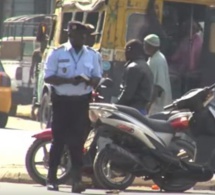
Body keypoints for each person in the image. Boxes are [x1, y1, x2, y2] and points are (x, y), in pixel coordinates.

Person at [44, 21, 101, 193]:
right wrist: (69, 80)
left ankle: (76, 181)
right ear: (70, 35)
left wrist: (89, 81)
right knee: (58, 141)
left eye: (85, 36)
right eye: (79, 35)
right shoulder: (57, 53)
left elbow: (97, 77)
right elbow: (48, 77)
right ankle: (52, 179)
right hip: (61, 103)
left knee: (77, 143)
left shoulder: (92, 55)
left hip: (81, 103)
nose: (83, 38)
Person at [117, 39, 154, 115]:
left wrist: (115, 106)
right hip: (141, 110)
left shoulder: (133, 67)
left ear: (129, 50)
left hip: (131, 111)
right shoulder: (146, 66)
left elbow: (127, 94)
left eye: (126, 50)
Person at [143, 34, 172, 115]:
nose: (144, 47)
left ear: (151, 46)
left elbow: (158, 86)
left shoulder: (157, 61)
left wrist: (149, 103)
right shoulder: (154, 57)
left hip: (157, 104)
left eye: (146, 45)